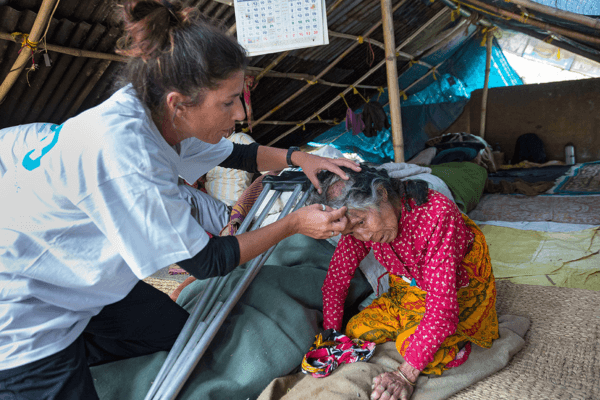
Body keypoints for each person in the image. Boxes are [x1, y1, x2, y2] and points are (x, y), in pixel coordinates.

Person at [0, 2, 360, 399]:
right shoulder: (127, 158)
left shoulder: (152, 112)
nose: (240, 113)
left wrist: (300, 157)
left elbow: (238, 154)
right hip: (21, 308)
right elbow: (207, 261)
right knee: (52, 370)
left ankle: (76, 346)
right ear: (179, 103)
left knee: (173, 331)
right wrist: (293, 224)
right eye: (228, 102)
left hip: (67, 272)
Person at [308, 164, 498, 400]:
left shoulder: (437, 214)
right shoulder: (357, 220)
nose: (364, 237)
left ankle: (456, 343)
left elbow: (443, 309)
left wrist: (404, 375)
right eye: (352, 232)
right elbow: (337, 278)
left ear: (383, 194)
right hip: (411, 291)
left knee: (411, 347)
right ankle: (423, 334)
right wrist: (331, 335)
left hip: (458, 294)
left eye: (361, 223)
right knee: (355, 329)